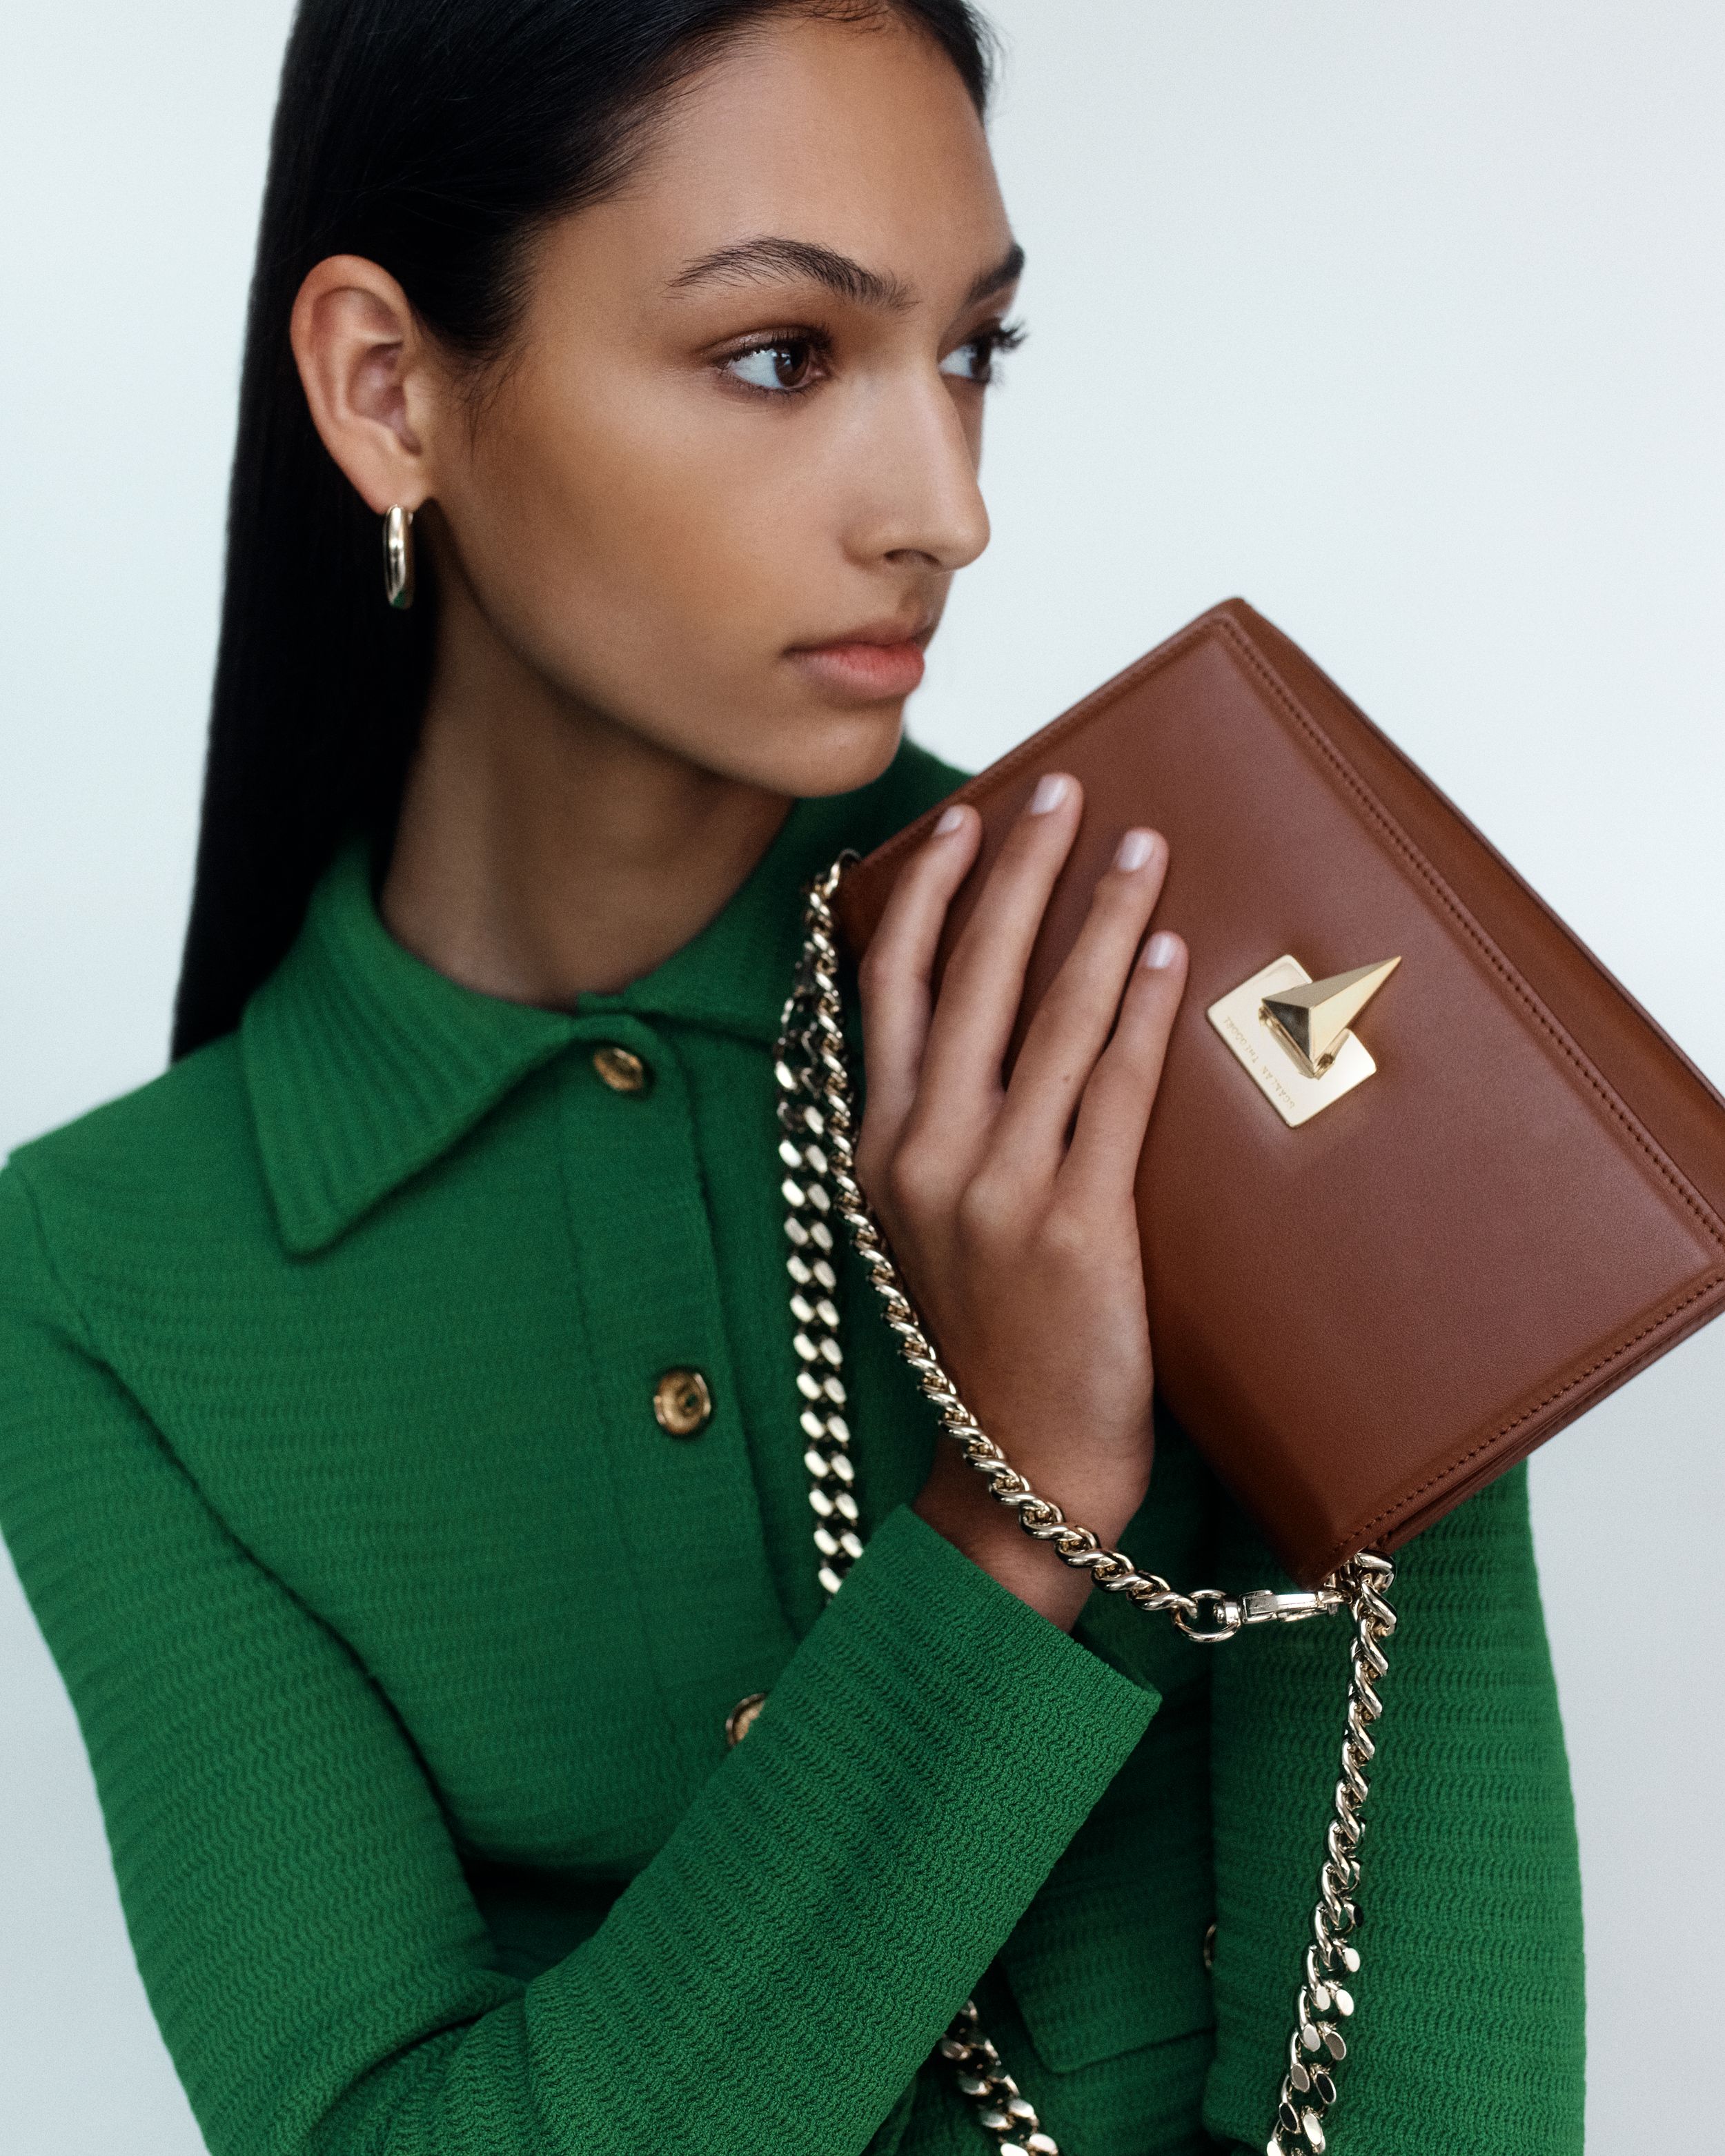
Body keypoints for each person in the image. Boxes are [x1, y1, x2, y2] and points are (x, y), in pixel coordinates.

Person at [0, 4, 1585, 2152]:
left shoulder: (1203, 980)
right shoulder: (107, 1281)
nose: (944, 508)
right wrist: (1010, 1518)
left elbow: (1438, 2102)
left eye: (970, 354)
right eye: (780, 357)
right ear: (390, 390)